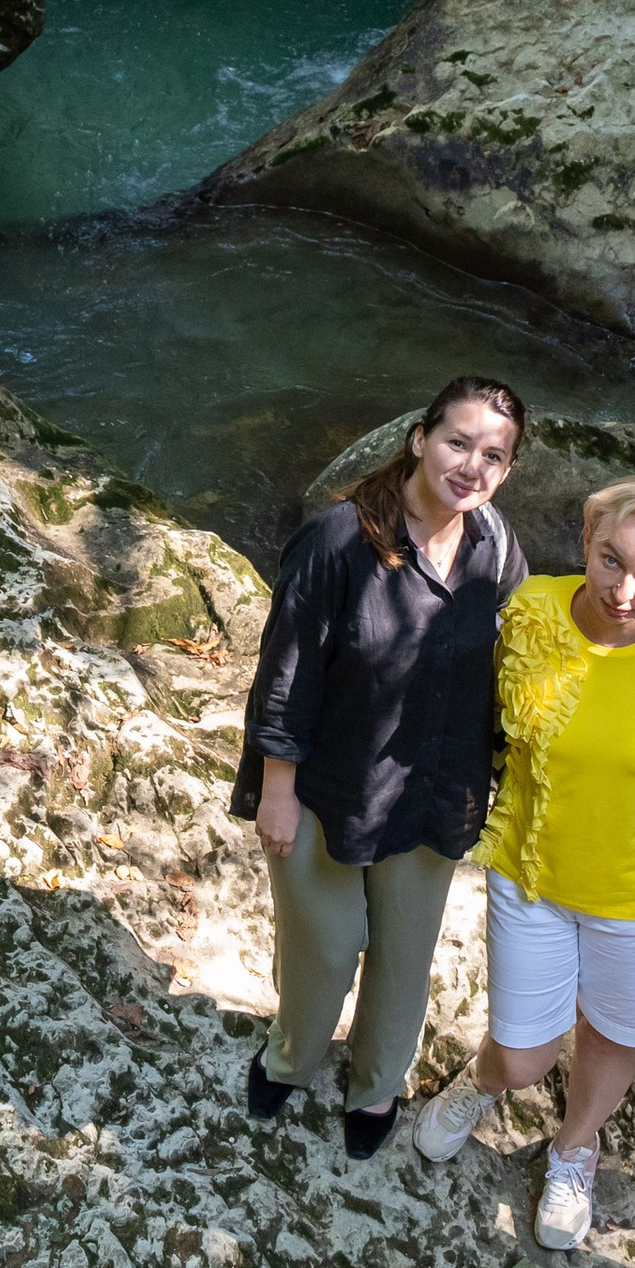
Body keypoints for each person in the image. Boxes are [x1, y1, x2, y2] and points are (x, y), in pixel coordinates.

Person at [415, 477, 635, 1245]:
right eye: (610, 560)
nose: (626, 588)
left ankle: (575, 1146)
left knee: (613, 1038)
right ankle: (485, 1081)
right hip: (532, 875)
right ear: (587, 542)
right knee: (525, 1054)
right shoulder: (528, 613)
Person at [231, 376, 528, 1156]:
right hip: (332, 785)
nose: (471, 466)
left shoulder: (495, 547)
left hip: (434, 787)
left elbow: (520, 664)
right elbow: (286, 673)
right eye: (458, 442)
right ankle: (292, 1055)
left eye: (493, 455)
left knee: (404, 958)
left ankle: (376, 1087)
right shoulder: (337, 541)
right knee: (325, 945)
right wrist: (277, 789)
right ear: (418, 439)